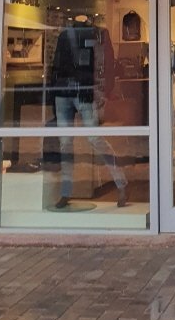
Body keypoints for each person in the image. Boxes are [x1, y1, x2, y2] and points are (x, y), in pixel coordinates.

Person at [51, 18, 127, 208]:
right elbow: (56, 65)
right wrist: (53, 91)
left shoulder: (97, 34)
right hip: (64, 92)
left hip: (84, 92)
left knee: (94, 138)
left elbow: (104, 63)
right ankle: (66, 192)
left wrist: (104, 90)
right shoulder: (65, 35)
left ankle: (121, 183)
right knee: (65, 143)